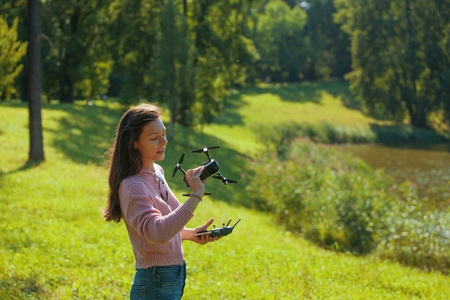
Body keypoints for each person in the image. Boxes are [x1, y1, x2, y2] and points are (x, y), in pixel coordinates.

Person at [102, 103, 219, 299]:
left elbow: (165, 223)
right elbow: (157, 233)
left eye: (163, 134)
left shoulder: (157, 172)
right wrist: (196, 195)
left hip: (172, 277)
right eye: (153, 138)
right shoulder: (132, 186)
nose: (163, 141)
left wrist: (188, 234)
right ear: (134, 143)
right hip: (155, 281)